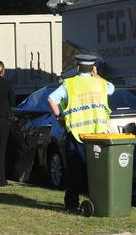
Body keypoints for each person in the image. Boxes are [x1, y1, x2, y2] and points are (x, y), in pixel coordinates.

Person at [48, 54, 114, 213]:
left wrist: (59, 117)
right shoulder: (101, 84)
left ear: (78, 67)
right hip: (98, 134)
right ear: (93, 68)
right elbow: (112, 89)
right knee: (96, 170)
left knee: (74, 170)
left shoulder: (69, 84)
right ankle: (97, 201)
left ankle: (72, 203)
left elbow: (51, 99)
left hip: (77, 134)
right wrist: (97, 76)